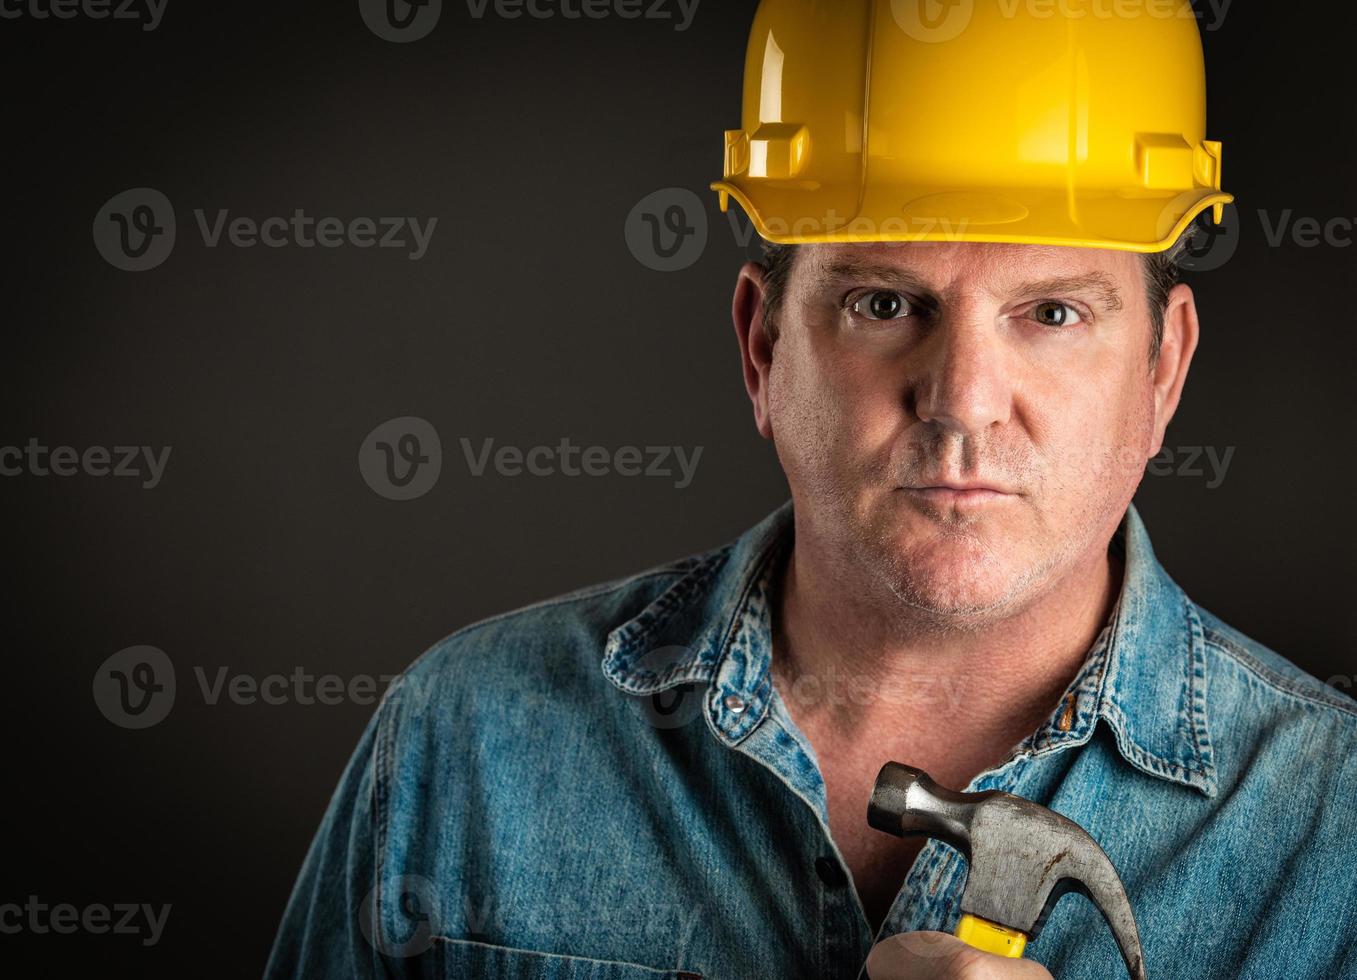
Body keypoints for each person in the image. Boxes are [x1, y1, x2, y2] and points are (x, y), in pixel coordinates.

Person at [266, 2, 1357, 977]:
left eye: (1053, 312)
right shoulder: (466, 739)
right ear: (760, 348)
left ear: (1161, 372)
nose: (963, 400)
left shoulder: (1335, 829)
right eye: (885, 304)